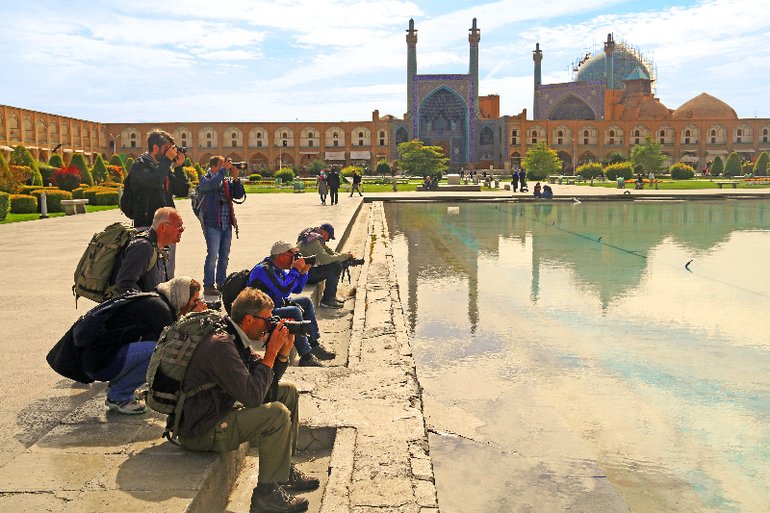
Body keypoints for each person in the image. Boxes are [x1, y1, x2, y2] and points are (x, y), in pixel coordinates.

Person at [177, 288, 319, 513]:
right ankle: (266, 495)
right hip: (202, 429)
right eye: (266, 319)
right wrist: (271, 353)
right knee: (277, 414)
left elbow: (263, 384)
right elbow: (253, 397)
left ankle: (282, 470)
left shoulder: (234, 336)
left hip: (218, 410)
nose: (269, 325)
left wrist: (282, 354)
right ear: (249, 319)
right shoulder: (221, 345)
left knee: (288, 392)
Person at [52, 277, 205, 414]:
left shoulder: (156, 300)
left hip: (97, 359)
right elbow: (175, 345)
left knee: (155, 348)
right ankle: (119, 396)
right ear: (182, 298)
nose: (196, 304)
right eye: (194, 301)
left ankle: (122, 387)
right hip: (99, 363)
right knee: (159, 352)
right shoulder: (160, 309)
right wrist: (198, 316)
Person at [248, 241, 329, 366]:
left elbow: (296, 289)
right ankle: (306, 356)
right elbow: (284, 290)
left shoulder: (277, 269)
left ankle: (314, 345)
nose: (294, 259)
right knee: (294, 311)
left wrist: (302, 273)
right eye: (292, 256)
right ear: (282, 256)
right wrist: (295, 270)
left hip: (274, 306)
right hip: (260, 314)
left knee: (305, 302)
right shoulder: (264, 269)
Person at [127, 129, 189, 274]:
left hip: (167, 229)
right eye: (167, 149)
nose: (170, 153)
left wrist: (179, 168)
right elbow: (155, 182)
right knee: (150, 273)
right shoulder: (139, 166)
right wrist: (167, 161)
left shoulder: (162, 168)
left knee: (167, 271)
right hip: (146, 228)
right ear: (155, 148)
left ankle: (164, 296)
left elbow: (182, 190)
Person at [198, 156, 246, 297]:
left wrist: (236, 179)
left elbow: (238, 195)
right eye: (222, 164)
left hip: (226, 223)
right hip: (212, 223)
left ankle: (221, 283)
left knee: (224, 256)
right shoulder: (205, 179)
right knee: (213, 255)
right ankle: (208, 285)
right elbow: (210, 186)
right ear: (214, 166)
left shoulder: (225, 180)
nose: (226, 166)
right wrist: (224, 171)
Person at [113, 207, 184, 295]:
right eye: (178, 225)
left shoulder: (157, 247)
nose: (182, 229)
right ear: (163, 227)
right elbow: (124, 283)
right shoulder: (143, 247)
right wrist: (149, 304)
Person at [297, 223, 357, 310]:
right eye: (328, 237)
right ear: (324, 233)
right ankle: (328, 300)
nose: (328, 240)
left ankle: (331, 297)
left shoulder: (314, 236)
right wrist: (344, 256)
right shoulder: (314, 241)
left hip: (307, 271)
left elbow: (330, 252)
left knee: (337, 263)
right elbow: (326, 259)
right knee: (335, 266)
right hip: (304, 274)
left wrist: (345, 257)